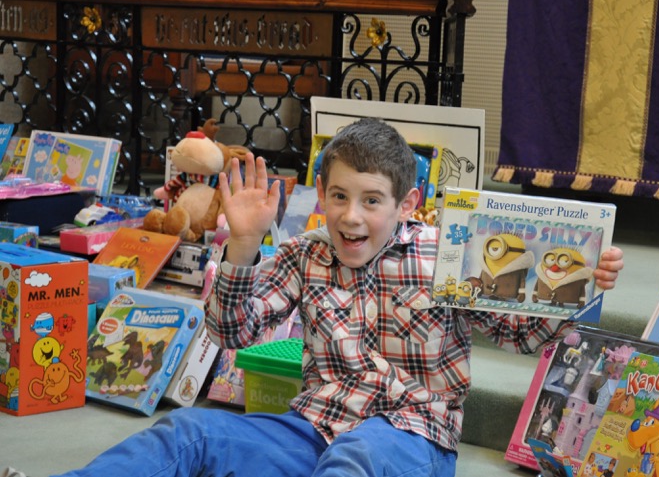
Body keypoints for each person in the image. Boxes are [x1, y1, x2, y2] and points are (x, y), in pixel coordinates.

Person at [9, 118, 623, 477]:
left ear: (406, 204)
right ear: (321, 194)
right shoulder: (306, 256)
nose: (350, 216)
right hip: (311, 428)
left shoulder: (447, 257)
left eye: (371, 201)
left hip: (410, 439)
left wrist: (579, 292)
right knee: (187, 432)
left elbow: (527, 336)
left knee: (354, 459)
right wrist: (245, 245)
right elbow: (232, 333)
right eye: (337, 197)